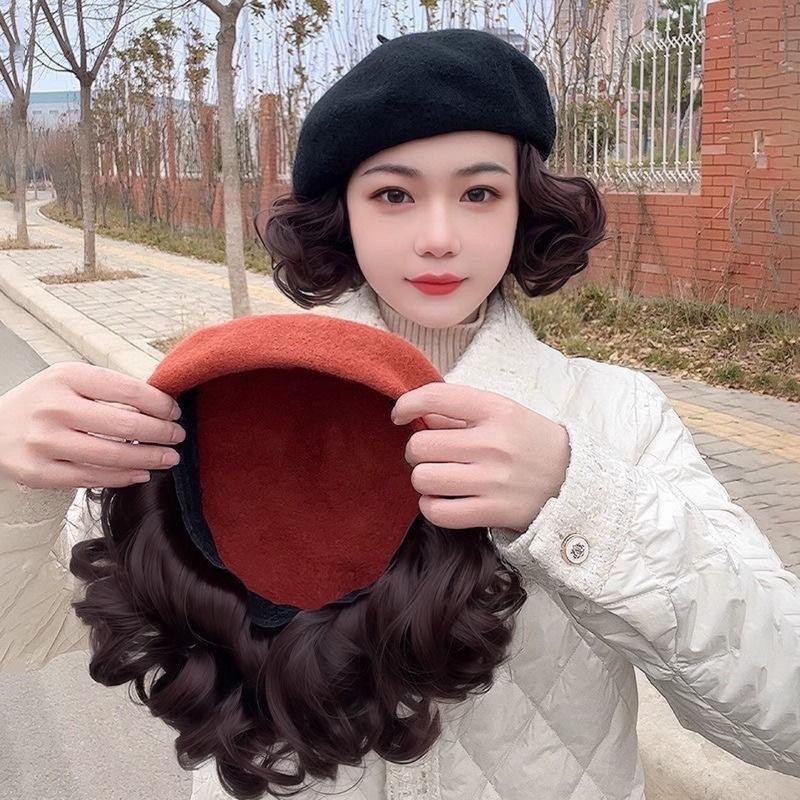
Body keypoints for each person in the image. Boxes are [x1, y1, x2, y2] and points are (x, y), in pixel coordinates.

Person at [1, 27, 799, 800]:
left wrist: (576, 497)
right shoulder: (229, 401)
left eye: (480, 192)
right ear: (342, 211)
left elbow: (782, 712)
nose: (439, 238)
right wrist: (13, 480)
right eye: (393, 194)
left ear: (524, 205)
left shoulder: (615, 416)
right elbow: (25, 634)